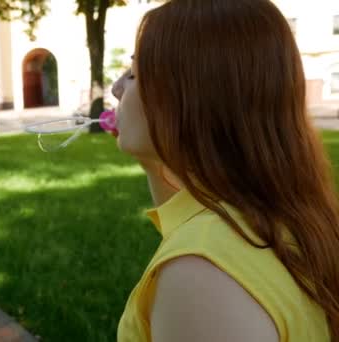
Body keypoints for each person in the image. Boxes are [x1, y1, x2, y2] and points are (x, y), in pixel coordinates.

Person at [111, 0, 338, 341]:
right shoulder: (277, 217)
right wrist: (154, 162)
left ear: (186, 98)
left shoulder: (200, 272)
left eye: (133, 74)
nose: (116, 88)